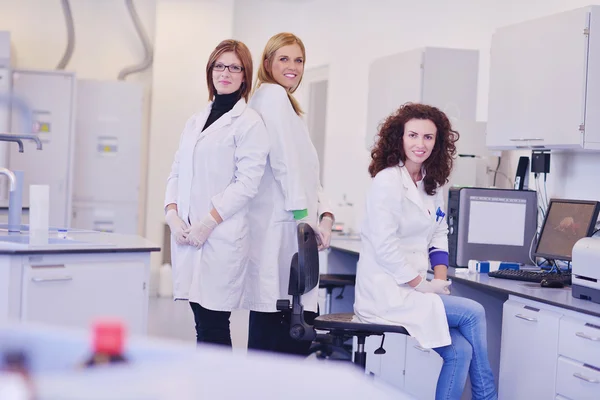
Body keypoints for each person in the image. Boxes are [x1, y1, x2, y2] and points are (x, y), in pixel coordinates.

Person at [354, 103, 497, 400]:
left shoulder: (432, 182)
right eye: (413, 135)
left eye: (428, 137)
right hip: (387, 292)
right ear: (399, 138)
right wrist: (423, 286)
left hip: (417, 288)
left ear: (438, 142)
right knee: (474, 313)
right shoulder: (388, 181)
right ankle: (487, 397)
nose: (420, 144)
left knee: (460, 351)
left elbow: (439, 233)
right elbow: (384, 245)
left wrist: (440, 281)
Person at [164, 39, 269, 347]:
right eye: (219, 66)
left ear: (245, 76)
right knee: (201, 323)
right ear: (210, 71)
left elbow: (247, 182)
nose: (225, 73)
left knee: (213, 325)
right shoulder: (195, 121)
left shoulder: (249, 123)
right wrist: (171, 213)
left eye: (234, 67)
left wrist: (208, 222)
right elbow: (177, 170)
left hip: (221, 236)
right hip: (188, 234)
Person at [243, 32, 334, 356]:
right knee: (283, 333)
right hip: (284, 232)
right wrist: (305, 221)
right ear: (267, 63)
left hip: (289, 228)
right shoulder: (272, 97)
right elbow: (286, 165)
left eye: (298, 60)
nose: (293, 66)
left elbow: (307, 174)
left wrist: (325, 216)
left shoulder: (283, 103)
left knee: (276, 329)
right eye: (284, 58)